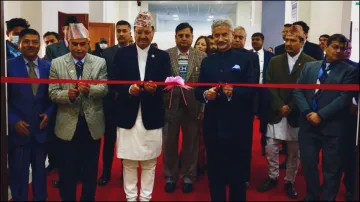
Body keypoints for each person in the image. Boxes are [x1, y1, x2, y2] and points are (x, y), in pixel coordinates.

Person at [195, 18, 259, 201]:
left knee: (237, 174)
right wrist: (206, 94)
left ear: (232, 34)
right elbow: (198, 91)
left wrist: (234, 92)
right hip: (213, 125)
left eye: (224, 34)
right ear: (212, 37)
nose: (221, 39)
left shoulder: (247, 58)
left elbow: (253, 88)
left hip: (239, 125)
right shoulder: (207, 62)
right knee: (215, 173)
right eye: (217, 35)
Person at [111, 11, 171, 201]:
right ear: (133, 33)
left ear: (152, 32)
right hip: (127, 114)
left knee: (149, 162)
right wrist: (129, 89)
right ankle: (130, 198)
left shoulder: (162, 56)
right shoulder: (122, 54)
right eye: (139, 32)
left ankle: (145, 198)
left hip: (151, 114)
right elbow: (113, 82)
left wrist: (155, 89)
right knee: (128, 162)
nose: (143, 36)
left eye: (147, 32)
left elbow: (167, 84)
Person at [294, 34, 359, 201]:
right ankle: (312, 196)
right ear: (326, 47)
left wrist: (321, 116)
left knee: (331, 170)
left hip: (333, 128)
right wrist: (308, 112)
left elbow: (344, 97)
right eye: (335, 47)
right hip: (308, 126)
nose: (339, 51)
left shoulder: (350, 71)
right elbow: (298, 90)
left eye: (342, 48)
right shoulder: (310, 67)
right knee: (309, 166)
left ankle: (328, 198)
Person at [48, 23, 108, 201]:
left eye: (83, 44)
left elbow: (104, 89)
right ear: (68, 43)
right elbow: (52, 93)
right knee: (67, 170)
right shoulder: (57, 63)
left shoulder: (99, 62)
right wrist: (68, 94)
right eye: (75, 44)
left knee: (90, 170)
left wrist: (89, 90)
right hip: (67, 125)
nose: (79, 48)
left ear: (89, 43)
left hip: (92, 125)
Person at [256, 26, 315, 199]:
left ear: (302, 42)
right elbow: (269, 83)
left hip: (296, 114)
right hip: (276, 112)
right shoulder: (275, 60)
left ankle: (289, 181)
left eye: (293, 40)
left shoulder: (310, 62)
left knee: (293, 152)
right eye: (286, 40)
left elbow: (307, 90)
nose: (288, 43)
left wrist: (290, 106)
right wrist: (279, 105)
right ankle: (272, 177)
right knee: (271, 148)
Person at [7, 28, 55, 201]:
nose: (31, 45)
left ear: (39, 44)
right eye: (26, 41)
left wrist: (49, 114)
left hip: (41, 132)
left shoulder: (48, 67)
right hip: (19, 132)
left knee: (40, 174)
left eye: (35, 42)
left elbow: (53, 97)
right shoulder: (8, 66)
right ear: (19, 44)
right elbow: (4, 100)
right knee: (18, 173)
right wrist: (13, 121)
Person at [163, 22, 207, 194]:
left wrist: (202, 109)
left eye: (187, 35)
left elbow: (204, 84)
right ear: (175, 37)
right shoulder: (166, 55)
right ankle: (170, 177)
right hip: (170, 106)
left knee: (191, 144)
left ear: (192, 37)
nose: (184, 38)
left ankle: (189, 177)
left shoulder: (201, 56)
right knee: (169, 144)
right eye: (180, 35)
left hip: (193, 107)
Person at [98, 20, 132, 186]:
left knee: (127, 140)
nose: (121, 34)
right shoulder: (107, 53)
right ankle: (106, 172)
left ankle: (126, 173)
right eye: (118, 31)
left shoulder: (136, 52)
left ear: (130, 32)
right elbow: (104, 77)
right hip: (110, 102)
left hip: (129, 102)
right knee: (109, 140)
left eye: (124, 30)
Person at [249, 32, 274, 158]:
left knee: (264, 117)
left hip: (265, 90)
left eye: (257, 39)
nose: (254, 42)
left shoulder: (271, 56)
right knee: (249, 115)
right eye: (253, 39)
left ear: (262, 41)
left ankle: (264, 143)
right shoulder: (247, 55)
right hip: (251, 91)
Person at [342, 39, 359, 202]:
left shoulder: (356, 66)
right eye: (344, 48)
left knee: (349, 156)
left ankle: (350, 187)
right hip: (331, 117)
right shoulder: (325, 67)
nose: (347, 51)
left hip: (351, 118)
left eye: (350, 49)